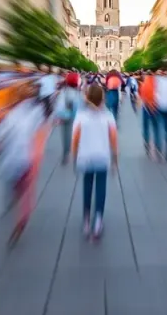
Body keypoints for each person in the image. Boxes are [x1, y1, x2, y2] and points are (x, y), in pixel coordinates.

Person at [0, 81, 51, 245]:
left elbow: (0, 135)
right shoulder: (37, 112)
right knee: (27, 190)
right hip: (29, 157)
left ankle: (14, 200)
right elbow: (42, 131)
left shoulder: (10, 115)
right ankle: (22, 216)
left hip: (11, 158)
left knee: (14, 184)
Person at [72, 85, 118, 240]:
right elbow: (113, 140)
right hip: (102, 157)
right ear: (102, 98)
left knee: (87, 186)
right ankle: (98, 220)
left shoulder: (80, 115)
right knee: (101, 188)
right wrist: (115, 160)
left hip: (85, 157)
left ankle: (86, 220)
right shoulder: (108, 116)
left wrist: (73, 157)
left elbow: (75, 139)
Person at [54, 72, 82, 164]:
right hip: (77, 118)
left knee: (66, 136)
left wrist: (58, 117)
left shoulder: (64, 91)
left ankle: (66, 154)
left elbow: (59, 106)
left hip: (66, 117)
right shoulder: (77, 93)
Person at [139, 71, 160, 160]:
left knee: (146, 126)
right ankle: (157, 145)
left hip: (146, 107)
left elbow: (142, 95)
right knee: (156, 127)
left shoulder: (144, 83)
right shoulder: (157, 82)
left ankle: (147, 143)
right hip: (156, 107)